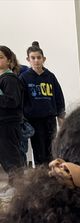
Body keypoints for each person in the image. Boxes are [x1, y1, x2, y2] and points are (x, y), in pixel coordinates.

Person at [20, 41, 65, 166]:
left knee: (51, 148)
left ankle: (52, 173)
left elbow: (59, 97)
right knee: (38, 149)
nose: (36, 61)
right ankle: (41, 176)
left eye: (38, 58)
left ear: (43, 59)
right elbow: (21, 100)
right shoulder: (24, 78)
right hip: (34, 120)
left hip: (49, 118)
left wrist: (61, 116)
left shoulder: (50, 77)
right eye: (33, 58)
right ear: (28, 59)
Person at [0, 45, 26, 199]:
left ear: (9, 60)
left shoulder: (9, 79)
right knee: (5, 157)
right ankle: (12, 184)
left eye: (1, 57)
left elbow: (13, 101)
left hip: (8, 124)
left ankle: (19, 188)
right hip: (2, 123)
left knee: (11, 157)